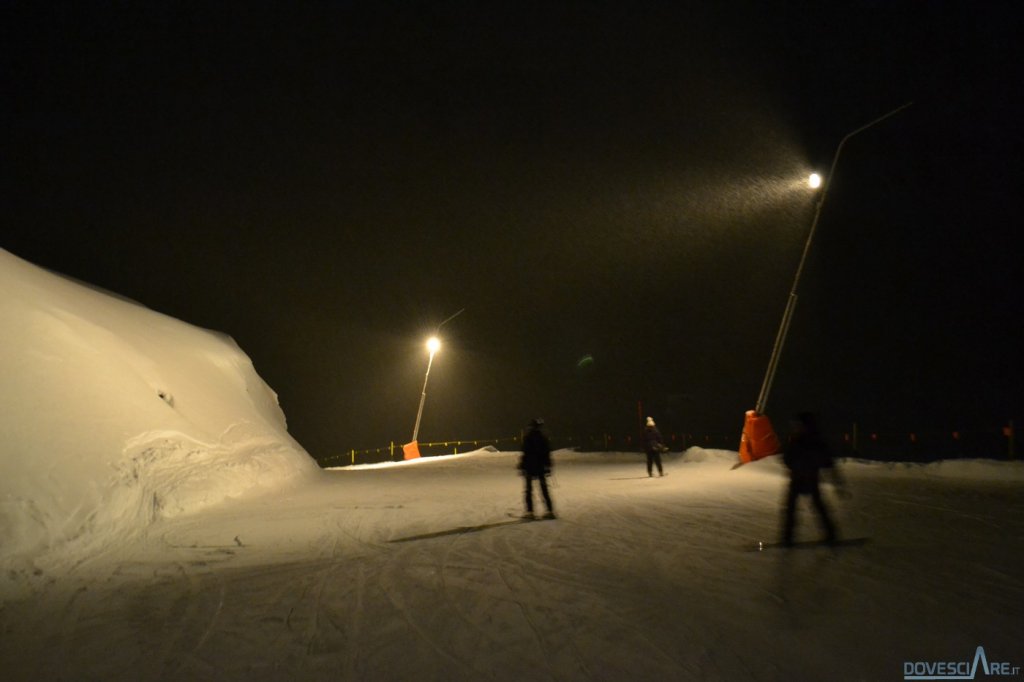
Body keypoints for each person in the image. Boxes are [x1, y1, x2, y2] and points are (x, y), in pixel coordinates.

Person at [780, 411, 846, 546]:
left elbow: (828, 461)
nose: (796, 427)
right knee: (792, 508)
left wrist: (837, 482)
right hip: (799, 479)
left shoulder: (813, 441)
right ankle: (788, 537)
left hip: (809, 479)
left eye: (798, 425)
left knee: (817, 506)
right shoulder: (797, 439)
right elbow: (787, 458)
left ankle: (830, 534)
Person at [519, 418, 555, 520]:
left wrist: (522, 466)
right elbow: (547, 453)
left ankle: (530, 512)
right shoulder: (543, 438)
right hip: (540, 466)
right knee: (544, 489)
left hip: (530, 466)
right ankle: (549, 510)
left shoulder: (527, 438)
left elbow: (525, 453)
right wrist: (548, 466)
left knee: (529, 490)